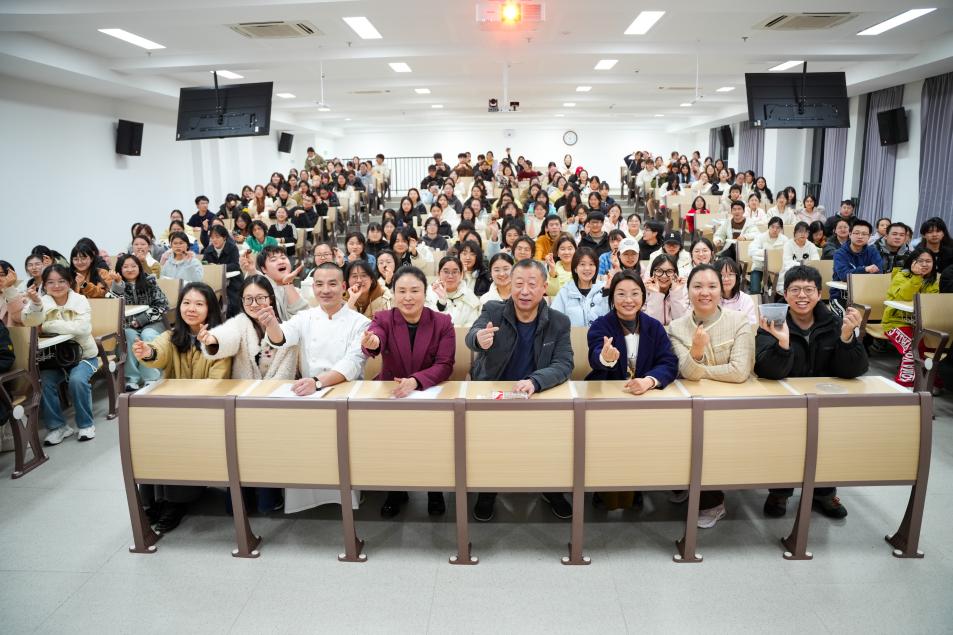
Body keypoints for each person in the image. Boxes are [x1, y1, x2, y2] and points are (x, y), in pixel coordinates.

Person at [755, 265, 867, 519]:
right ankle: (780, 492)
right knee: (785, 444)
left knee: (828, 444)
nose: (802, 296)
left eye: (808, 290)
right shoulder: (771, 323)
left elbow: (855, 369)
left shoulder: (835, 323)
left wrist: (847, 337)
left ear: (819, 294)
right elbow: (766, 370)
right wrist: (783, 343)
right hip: (785, 405)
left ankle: (824, 494)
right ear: (785, 294)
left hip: (825, 404)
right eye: (795, 290)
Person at [466, 259, 574, 522]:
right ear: (510, 285)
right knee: (489, 444)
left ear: (544, 288)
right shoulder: (493, 310)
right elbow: (473, 334)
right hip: (495, 395)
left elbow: (564, 363)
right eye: (519, 284)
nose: (524, 291)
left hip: (536, 396)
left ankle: (552, 488)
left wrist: (536, 381)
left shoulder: (558, 322)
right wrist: (479, 339)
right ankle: (488, 490)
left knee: (552, 440)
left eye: (532, 284)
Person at [259, 263, 370, 513]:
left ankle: (347, 499)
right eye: (319, 284)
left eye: (332, 284)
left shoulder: (360, 322)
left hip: (346, 395)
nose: (325, 290)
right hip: (310, 395)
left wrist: (318, 382)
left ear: (343, 287)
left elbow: (353, 363)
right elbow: (282, 338)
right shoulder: (306, 317)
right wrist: (271, 324)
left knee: (342, 454)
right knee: (305, 448)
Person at [196, 275, 297, 515]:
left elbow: (287, 370)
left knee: (267, 442)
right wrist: (212, 339)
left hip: (275, 404)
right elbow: (227, 336)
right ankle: (240, 502)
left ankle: (269, 499)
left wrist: (266, 400)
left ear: (271, 299)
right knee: (238, 448)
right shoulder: (240, 323)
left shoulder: (287, 326)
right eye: (248, 299)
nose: (254, 304)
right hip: (242, 403)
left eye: (260, 298)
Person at [361, 266, 456, 517]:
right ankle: (396, 491)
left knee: (434, 443)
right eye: (401, 291)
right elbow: (375, 338)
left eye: (415, 291)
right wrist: (373, 343)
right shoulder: (384, 318)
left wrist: (415, 381)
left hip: (429, 391)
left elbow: (445, 364)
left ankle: (435, 491)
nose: (408, 297)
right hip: (394, 393)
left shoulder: (442, 322)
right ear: (393, 294)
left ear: (425, 293)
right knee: (394, 444)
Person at [668, 264, 755, 528]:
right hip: (693, 404)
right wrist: (696, 350)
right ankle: (688, 483)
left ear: (721, 289)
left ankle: (713, 501)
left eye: (712, 286)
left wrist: (698, 367)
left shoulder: (739, 321)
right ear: (687, 291)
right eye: (697, 286)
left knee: (712, 435)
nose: (704, 292)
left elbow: (740, 371)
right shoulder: (676, 327)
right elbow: (685, 372)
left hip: (734, 406)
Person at [21, 265, 101, 445]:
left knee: (77, 380)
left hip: (84, 356)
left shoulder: (80, 300)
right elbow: (29, 322)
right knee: (43, 382)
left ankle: (86, 424)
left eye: (61, 281)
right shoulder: (41, 301)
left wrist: (48, 325)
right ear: (44, 284)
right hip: (53, 360)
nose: (56, 286)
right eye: (50, 282)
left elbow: (83, 328)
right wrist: (35, 304)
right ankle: (58, 427)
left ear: (70, 282)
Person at [110, 254, 169, 391]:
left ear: (139, 267)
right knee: (129, 336)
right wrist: (118, 285)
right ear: (119, 269)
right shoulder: (116, 285)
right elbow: (113, 307)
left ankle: (151, 376)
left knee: (147, 335)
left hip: (153, 323)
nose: (130, 269)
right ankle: (132, 378)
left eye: (133, 266)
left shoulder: (150, 281)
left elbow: (163, 304)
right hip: (128, 325)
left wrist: (141, 320)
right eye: (125, 267)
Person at [882, 248, 939, 387]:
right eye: (920, 261)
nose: (924, 264)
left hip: (920, 324)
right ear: (912, 262)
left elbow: (931, 303)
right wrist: (916, 277)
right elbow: (903, 297)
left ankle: (928, 380)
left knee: (930, 346)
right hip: (896, 322)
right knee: (911, 347)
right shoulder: (901, 276)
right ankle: (904, 383)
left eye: (928, 261)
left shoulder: (933, 281)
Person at [551, 247, 609, 327]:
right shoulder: (566, 291)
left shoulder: (605, 289)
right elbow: (554, 319)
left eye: (591, 264)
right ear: (575, 268)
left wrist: (607, 293)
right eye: (582, 264)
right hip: (572, 335)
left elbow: (612, 317)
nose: (587, 268)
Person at [831, 219, 883, 309]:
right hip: (842, 295)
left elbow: (878, 273)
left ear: (869, 237)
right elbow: (844, 276)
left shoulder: (873, 251)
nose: (860, 236)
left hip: (867, 294)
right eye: (856, 233)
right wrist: (865, 269)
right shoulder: (840, 253)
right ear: (850, 234)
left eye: (864, 234)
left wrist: (856, 272)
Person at [425, 256, 480, 327]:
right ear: (438, 273)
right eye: (446, 272)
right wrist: (441, 303)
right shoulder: (428, 294)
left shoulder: (469, 295)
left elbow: (473, 323)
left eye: (454, 272)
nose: (450, 276)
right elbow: (428, 322)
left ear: (461, 274)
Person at [203, 225, 242, 316]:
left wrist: (218, 267)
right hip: (214, 281)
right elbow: (204, 265)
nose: (214, 240)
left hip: (233, 281)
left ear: (224, 237)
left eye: (217, 237)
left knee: (232, 303)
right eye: (212, 237)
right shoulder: (208, 250)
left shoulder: (232, 248)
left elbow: (235, 266)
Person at [643, 254, 689, 326]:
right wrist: (655, 294)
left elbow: (681, 321)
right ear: (652, 273)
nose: (664, 276)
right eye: (659, 271)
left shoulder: (683, 290)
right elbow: (650, 324)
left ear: (675, 274)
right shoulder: (643, 291)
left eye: (669, 271)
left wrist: (675, 292)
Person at [748, 216, 789, 294]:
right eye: (772, 227)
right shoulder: (760, 237)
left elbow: (788, 255)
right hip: (759, 267)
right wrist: (767, 253)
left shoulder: (785, 240)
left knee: (780, 291)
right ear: (768, 226)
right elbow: (751, 251)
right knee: (755, 290)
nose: (775, 230)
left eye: (778, 227)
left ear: (781, 229)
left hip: (778, 270)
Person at [716, 257, 757, 325]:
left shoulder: (745, 299)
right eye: (721, 275)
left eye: (730, 274)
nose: (726, 279)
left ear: (736, 277)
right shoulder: (710, 299)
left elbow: (751, 325)